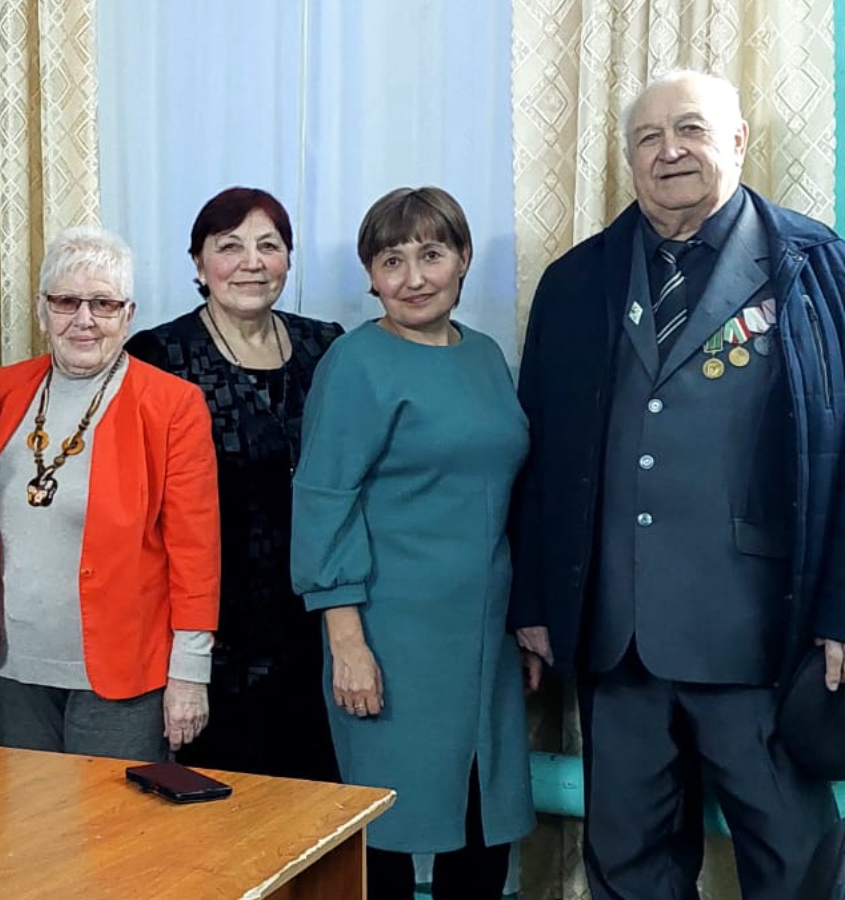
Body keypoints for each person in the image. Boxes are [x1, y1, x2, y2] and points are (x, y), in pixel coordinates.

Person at [512, 69, 842, 900]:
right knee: (628, 866)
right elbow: (539, 456)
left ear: (737, 140)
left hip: (762, 637)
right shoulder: (576, 281)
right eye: (648, 138)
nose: (669, 152)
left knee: (797, 862)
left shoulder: (817, 267)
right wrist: (536, 601)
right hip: (618, 639)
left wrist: (842, 610)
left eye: (690, 129)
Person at [291, 187, 533, 900]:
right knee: (387, 830)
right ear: (371, 275)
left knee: (484, 825)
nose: (414, 277)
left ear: (463, 260)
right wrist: (347, 644)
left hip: (484, 636)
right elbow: (324, 499)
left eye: (431, 254)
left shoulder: (484, 356)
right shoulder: (355, 362)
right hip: (389, 635)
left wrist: (523, 624)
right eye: (391, 261)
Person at [0, 225, 221, 760]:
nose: (84, 319)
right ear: (42, 311)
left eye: (103, 303)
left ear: (128, 315)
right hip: (13, 665)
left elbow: (197, 554)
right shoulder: (4, 389)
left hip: (124, 669)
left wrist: (190, 673)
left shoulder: (172, 405)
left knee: (112, 815)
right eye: (66, 302)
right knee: (27, 813)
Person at [126, 186, 343, 780]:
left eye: (268, 246)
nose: (252, 262)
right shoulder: (158, 355)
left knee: (318, 800)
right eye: (229, 247)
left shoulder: (328, 346)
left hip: (318, 625)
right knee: (223, 805)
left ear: (288, 260)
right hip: (212, 635)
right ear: (199, 265)